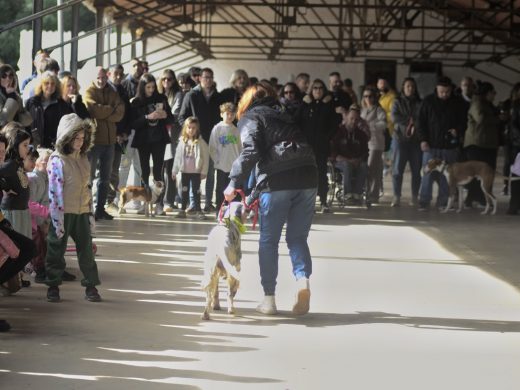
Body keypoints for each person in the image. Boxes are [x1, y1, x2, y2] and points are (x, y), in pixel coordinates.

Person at [223, 81, 318, 316]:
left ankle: (269, 300)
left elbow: (251, 150)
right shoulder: (285, 114)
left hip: (277, 181)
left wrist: (233, 182)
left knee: (269, 241)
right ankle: (302, 281)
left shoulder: (251, 116)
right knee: (297, 238)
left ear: (246, 102)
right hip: (309, 174)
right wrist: (254, 192)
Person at [45, 114, 101, 303]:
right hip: (63, 213)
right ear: (66, 138)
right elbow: (54, 192)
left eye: (82, 138)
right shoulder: (57, 160)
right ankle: (53, 285)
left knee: (86, 250)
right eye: (75, 138)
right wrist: (56, 218)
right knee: (56, 248)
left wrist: (90, 212)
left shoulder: (84, 159)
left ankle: (91, 285)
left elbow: (88, 187)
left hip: (82, 211)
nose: (79, 141)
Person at [417, 76, 467, 210]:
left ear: (451, 90)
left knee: (448, 176)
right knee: (427, 174)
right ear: (436, 89)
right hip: (430, 145)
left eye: (447, 92)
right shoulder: (427, 102)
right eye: (442, 92)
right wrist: (423, 140)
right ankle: (424, 201)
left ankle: (444, 202)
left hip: (449, 146)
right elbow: (420, 123)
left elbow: (464, 122)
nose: (444, 95)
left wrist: (458, 130)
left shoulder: (458, 103)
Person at [84, 67, 125, 221]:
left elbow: (120, 112)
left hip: (110, 142)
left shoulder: (112, 92)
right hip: (95, 143)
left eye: (103, 77)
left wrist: (104, 112)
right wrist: (110, 110)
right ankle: (88, 210)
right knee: (89, 177)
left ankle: (100, 209)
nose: (101, 81)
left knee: (105, 178)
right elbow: (94, 111)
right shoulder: (89, 92)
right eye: (98, 78)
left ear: (107, 77)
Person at [178, 67, 221, 212]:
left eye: (210, 77)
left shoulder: (217, 97)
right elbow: (182, 117)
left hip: (212, 139)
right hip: (195, 140)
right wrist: (189, 131)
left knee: (210, 172)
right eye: (205, 77)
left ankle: (208, 202)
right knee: (193, 171)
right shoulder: (192, 95)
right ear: (200, 78)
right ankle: (193, 203)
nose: (208, 80)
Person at [130, 73, 173, 216]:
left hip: (159, 139)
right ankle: (145, 203)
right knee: (144, 171)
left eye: (153, 87)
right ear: (142, 87)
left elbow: (171, 118)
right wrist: (147, 117)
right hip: (143, 140)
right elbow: (133, 123)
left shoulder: (161, 98)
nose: (151, 90)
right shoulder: (136, 102)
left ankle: (159, 203)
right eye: (148, 87)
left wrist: (165, 116)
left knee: (158, 171)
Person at [297, 78, 336, 212]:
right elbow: (297, 121)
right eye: (315, 88)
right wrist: (305, 103)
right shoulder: (306, 103)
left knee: (321, 174)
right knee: (307, 174)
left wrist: (327, 137)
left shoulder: (328, 104)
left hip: (321, 146)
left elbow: (334, 123)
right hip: (307, 146)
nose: (318, 90)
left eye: (320, 88)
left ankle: (323, 202)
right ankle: (309, 202)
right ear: (311, 90)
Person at [463, 81, 500, 207]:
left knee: (485, 174)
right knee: (478, 174)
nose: (494, 95)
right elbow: (481, 119)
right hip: (478, 145)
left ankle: (476, 198)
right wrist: (498, 119)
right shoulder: (477, 103)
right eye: (493, 92)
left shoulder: (487, 104)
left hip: (487, 144)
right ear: (487, 93)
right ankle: (478, 198)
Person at [390, 77, 422, 207]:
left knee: (416, 170)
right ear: (403, 87)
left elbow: (422, 117)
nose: (410, 88)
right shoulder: (397, 101)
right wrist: (410, 121)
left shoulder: (420, 102)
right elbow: (394, 117)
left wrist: (415, 122)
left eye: (412, 86)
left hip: (416, 141)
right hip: (400, 139)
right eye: (408, 86)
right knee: (398, 170)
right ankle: (396, 196)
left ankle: (414, 196)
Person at [330, 105, 370, 204]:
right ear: (347, 117)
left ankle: (357, 194)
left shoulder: (361, 135)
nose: (353, 121)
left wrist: (359, 160)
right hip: (340, 161)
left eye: (356, 119)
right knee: (347, 165)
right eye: (351, 118)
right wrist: (347, 160)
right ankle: (347, 195)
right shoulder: (338, 132)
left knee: (364, 166)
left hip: (356, 160)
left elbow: (365, 152)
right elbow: (333, 151)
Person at [172, 117, 209, 220]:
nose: (191, 130)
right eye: (189, 127)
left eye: (194, 128)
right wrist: (174, 170)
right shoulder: (182, 141)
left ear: (197, 129)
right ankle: (182, 210)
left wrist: (204, 171)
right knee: (184, 191)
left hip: (196, 172)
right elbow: (177, 157)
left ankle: (198, 210)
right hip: (185, 171)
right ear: (185, 128)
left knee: (196, 191)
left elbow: (206, 158)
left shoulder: (201, 142)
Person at [25, 71, 72, 148]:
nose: (50, 86)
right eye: (47, 83)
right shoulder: (32, 102)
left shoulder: (61, 104)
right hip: (34, 145)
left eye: (53, 84)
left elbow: (65, 126)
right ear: (41, 85)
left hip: (54, 146)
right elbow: (26, 125)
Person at [157, 69, 182, 212]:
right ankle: (158, 200)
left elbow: (175, 114)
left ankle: (169, 200)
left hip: (171, 137)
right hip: (158, 136)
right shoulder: (158, 94)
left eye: (170, 79)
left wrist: (160, 115)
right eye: (164, 79)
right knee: (159, 171)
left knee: (170, 170)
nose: (166, 81)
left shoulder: (178, 95)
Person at [209, 103, 242, 211]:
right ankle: (219, 210)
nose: (229, 116)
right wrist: (217, 161)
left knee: (234, 189)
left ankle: (233, 212)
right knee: (220, 189)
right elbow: (212, 147)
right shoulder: (217, 128)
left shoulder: (236, 130)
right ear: (221, 114)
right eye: (227, 114)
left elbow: (240, 148)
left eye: (232, 114)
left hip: (234, 166)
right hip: (221, 166)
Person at [361, 87, 387, 204]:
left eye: (370, 96)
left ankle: (373, 194)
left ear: (374, 97)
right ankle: (367, 193)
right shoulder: (363, 110)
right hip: (364, 143)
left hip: (376, 143)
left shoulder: (379, 110)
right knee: (368, 169)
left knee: (373, 168)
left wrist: (370, 126)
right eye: (365, 96)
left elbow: (384, 123)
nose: (368, 98)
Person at [0, 64, 32, 129]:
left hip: (16, 134)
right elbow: (3, 121)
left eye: (11, 76)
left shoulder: (16, 95)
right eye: (4, 76)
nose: (8, 79)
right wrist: (11, 97)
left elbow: (27, 121)